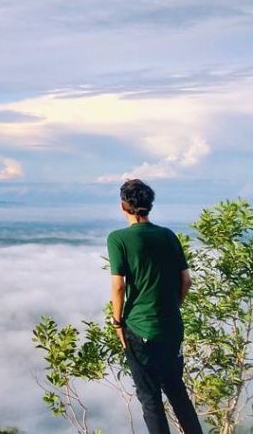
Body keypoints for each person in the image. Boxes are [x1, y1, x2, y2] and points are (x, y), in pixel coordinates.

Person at [107, 178, 203, 434]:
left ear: (123, 206)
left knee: (151, 400)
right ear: (149, 205)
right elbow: (186, 280)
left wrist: (117, 322)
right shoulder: (168, 236)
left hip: (139, 329)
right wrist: (172, 307)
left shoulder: (119, 239)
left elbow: (118, 286)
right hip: (171, 327)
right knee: (177, 393)